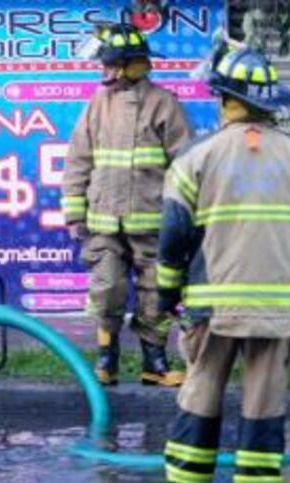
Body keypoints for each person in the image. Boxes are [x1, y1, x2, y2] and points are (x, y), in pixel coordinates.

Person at [157, 42, 290, 483]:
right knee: (265, 394)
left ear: (222, 99)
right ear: (270, 103)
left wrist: (164, 292)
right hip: (277, 306)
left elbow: (174, 233)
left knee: (202, 384)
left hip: (212, 305)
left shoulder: (196, 158)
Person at [61, 22, 193, 387]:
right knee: (107, 289)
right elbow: (78, 161)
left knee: (156, 291)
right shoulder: (97, 104)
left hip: (152, 223)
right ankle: (107, 359)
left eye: (110, 65)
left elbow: (186, 168)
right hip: (104, 222)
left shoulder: (164, 104)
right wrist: (74, 213)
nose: (104, 72)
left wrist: (181, 220)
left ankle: (155, 362)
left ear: (130, 65)